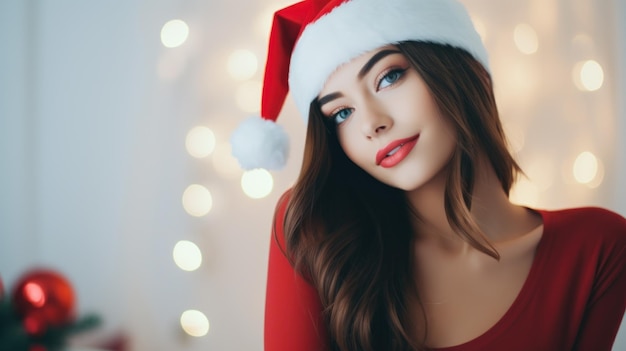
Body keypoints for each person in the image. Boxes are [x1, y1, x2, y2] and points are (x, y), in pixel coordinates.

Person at [230, 0, 626, 350]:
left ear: (464, 68)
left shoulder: (598, 247)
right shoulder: (314, 229)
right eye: (342, 113)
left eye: (388, 77)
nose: (371, 123)